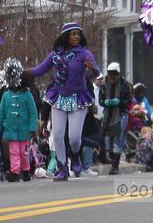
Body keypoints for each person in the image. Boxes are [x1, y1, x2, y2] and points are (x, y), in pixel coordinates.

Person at [26, 22, 99, 181]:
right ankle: (62, 168)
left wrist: (91, 68)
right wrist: (22, 72)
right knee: (58, 135)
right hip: (59, 98)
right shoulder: (55, 55)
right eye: (73, 34)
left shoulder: (84, 53)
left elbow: (96, 70)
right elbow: (39, 70)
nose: (76, 36)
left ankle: (75, 156)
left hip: (78, 98)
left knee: (74, 138)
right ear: (65, 36)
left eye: (78, 34)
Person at [0, 61, 38, 182]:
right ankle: (15, 171)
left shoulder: (27, 94)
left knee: (23, 153)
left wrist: (33, 127)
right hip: (11, 130)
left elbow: (33, 113)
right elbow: (1, 112)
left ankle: (26, 170)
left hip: (24, 131)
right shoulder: (6, 95)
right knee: (14, 152)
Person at [100, 62, 132, 175]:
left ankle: (115, 166)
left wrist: (119, 102)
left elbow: (128, 102)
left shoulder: (125, 85)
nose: (112, 78)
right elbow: (100, 100)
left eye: (114, 75)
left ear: (118, 75)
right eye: (110, 75)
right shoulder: (104, 85)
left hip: (121, 115)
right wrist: (105, 102)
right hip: (108, 116)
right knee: (108, 139)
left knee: (118, 140)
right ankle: (112, 158)